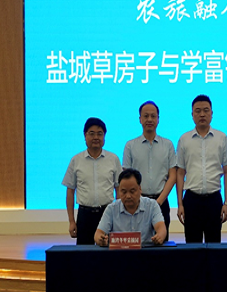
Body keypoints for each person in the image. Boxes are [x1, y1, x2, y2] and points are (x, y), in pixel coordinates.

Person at [176, 95, 227, 243]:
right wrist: (180, 204)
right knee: (192, 247)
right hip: (191, 200)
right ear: (192, 114)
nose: (202, 114)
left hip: (214, 200)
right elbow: (180, 173)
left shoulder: (221, 138)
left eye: (206, 110)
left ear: (212, 113)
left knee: (214, 246)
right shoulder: (184, 139)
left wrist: (226, 203)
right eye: (198, 111)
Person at [63, 117, 122, 245]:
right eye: (92, 133)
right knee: (84, 253)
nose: (96, 137)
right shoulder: (76, 160)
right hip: (85, 215)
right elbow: (70, 192)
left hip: (107, 213)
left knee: (108, 251)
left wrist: (118, 217)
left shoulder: (113, 159)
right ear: (85, 136)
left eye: (100, 134)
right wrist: (72, 221)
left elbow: (119, 189)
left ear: (104, 136)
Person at [123, 101, 176, 241]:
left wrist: (158, 202)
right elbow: (126, 177)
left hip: (161, 202)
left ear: (158, 119)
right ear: (140, 119)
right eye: (146, 116)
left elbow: (172, 176)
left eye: (153, 116)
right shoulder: (130, 146)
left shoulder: (168, 145)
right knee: (136, 244)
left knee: (161, 243)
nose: (149, 119)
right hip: (136, 203)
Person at [94, 168, 167, 247]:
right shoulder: (111, 209)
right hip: (119, 252)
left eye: (132, 191)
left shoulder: (152, 205)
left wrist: (159, 236)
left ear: (140, 189)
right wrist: (101, 239)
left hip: (145, 252)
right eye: (124, 192)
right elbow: (98, 234)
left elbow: (161, 227)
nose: (128, 196)